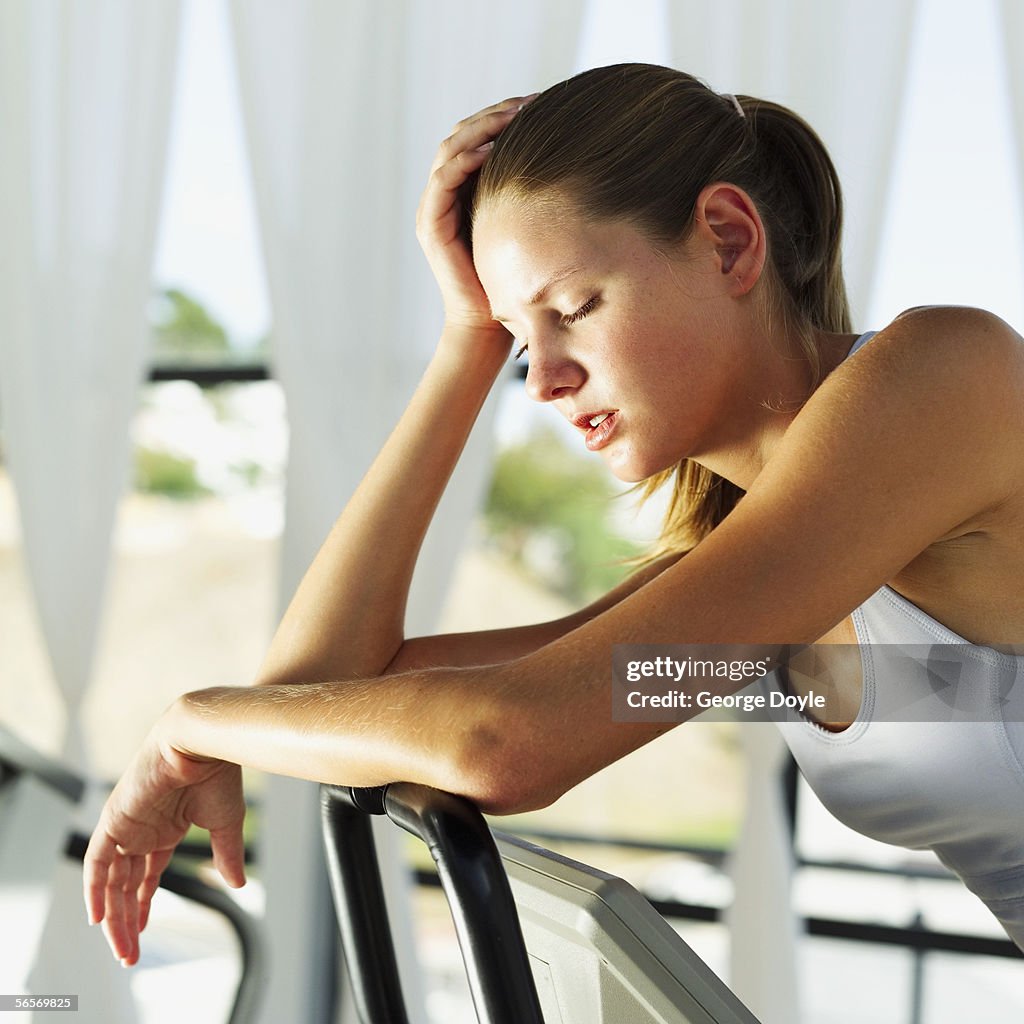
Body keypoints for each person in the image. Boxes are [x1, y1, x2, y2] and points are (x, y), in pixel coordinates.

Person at [83, 63, 1024, 966]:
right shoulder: (750, 611)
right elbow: (318, 686)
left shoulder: (949, 375)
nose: (543, 380)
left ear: (730, 243)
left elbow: (506, 743)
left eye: (573, 306)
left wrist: (186, 723)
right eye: (517, 339)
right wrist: (466, 342)